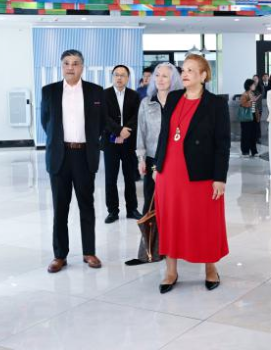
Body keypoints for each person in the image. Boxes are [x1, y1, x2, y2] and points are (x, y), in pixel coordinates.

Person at [153, 54, 230, 294]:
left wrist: (220, 177)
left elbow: (223, 144)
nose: (184, 74)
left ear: (203, 75)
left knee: (205, 221)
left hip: (200, 173)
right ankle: (171, 271)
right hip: (169, 172)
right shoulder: (173, 97)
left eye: (190, 70)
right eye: (183, 70)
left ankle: (210, 268)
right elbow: (164, 134)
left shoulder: (216, 104)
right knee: (170, 220)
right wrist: (157, 165)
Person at [41, 49, 106, 273]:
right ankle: (59, 255)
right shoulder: (49, 91)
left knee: (86, 205)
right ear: (62, 66)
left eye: (75, 63)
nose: (71, 67)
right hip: (59, 155)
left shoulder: (95, 91)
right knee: (60, 208)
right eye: (67, 63)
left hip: (84, 155)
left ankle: (89, 252)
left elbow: (101, 123)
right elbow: (46, 122)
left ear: (82, 67)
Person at [125, 63, 184, 266]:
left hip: (175, 160)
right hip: (152, 159)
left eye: (165, 76)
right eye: (157, 75)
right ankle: (149, 251)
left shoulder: (181, 102)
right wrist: (141, 158)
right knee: (150, 204)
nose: (160, 79)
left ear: (173, 80)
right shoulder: (146, 103)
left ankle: (176, 248)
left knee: (175, 205)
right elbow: (141, 132)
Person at [103, 65, 142, 224]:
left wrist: (126, 132)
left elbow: (137, 116)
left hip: (129, 142)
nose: (119, 78)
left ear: (128, 78)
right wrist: (118, 131)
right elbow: (103, 117)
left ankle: (132, 209)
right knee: (110, 178)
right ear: (112, 77)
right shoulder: (104, 95)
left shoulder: (134, 95)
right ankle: (112, 211)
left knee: (130, 177)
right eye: (116, 75)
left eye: (122, 75)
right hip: (110, 143)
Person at [239, 79, 260, 158]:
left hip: (253, 116)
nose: (254, 86)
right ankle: (245, 151)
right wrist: (251, 101)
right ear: (249, 86)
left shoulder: (252, 93)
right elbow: (243, 104)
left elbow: (255, 106)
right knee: (246, 135)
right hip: (246, 117)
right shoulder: (244, 94)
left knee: (253, 135)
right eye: (253, 85)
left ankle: (254, 151)